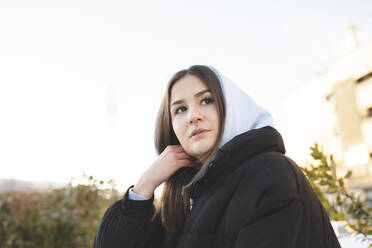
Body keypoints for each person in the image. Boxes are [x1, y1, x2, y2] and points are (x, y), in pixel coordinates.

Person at [93, 65, 341, 248]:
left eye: (207, 100)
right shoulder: (183, 198)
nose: (193, 115)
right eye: (180, 109)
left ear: (231, 108)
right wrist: (144, 186)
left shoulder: (270, 174)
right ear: (171, 126)